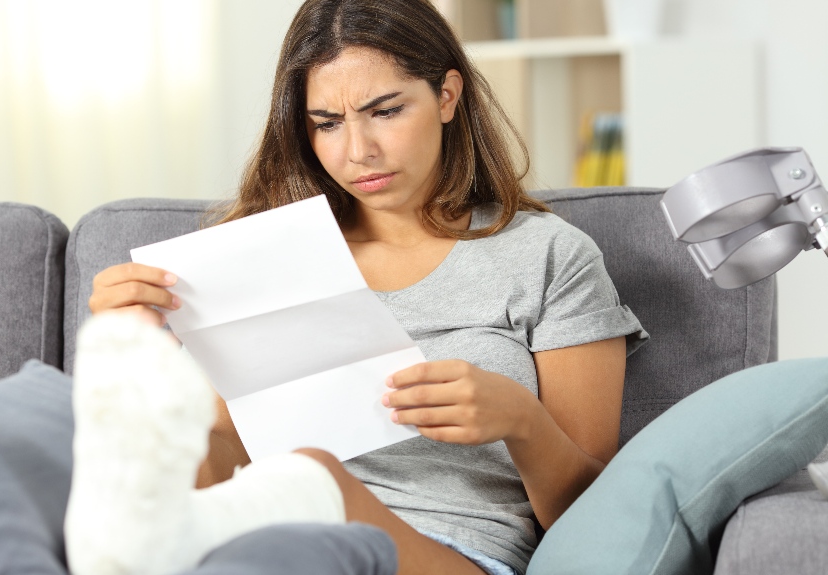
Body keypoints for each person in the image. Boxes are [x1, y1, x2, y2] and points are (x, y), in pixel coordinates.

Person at [69, 0, 648, 574]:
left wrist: (523, 422)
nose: (358, 152)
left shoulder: (548, 255)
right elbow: (212, 470)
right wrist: (139, 368)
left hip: (450, 553)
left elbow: (597, 520)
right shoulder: (256, 258)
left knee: (312, 480)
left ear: (447, 96)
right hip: (262, 539)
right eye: (326, 123)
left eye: (386, 111)